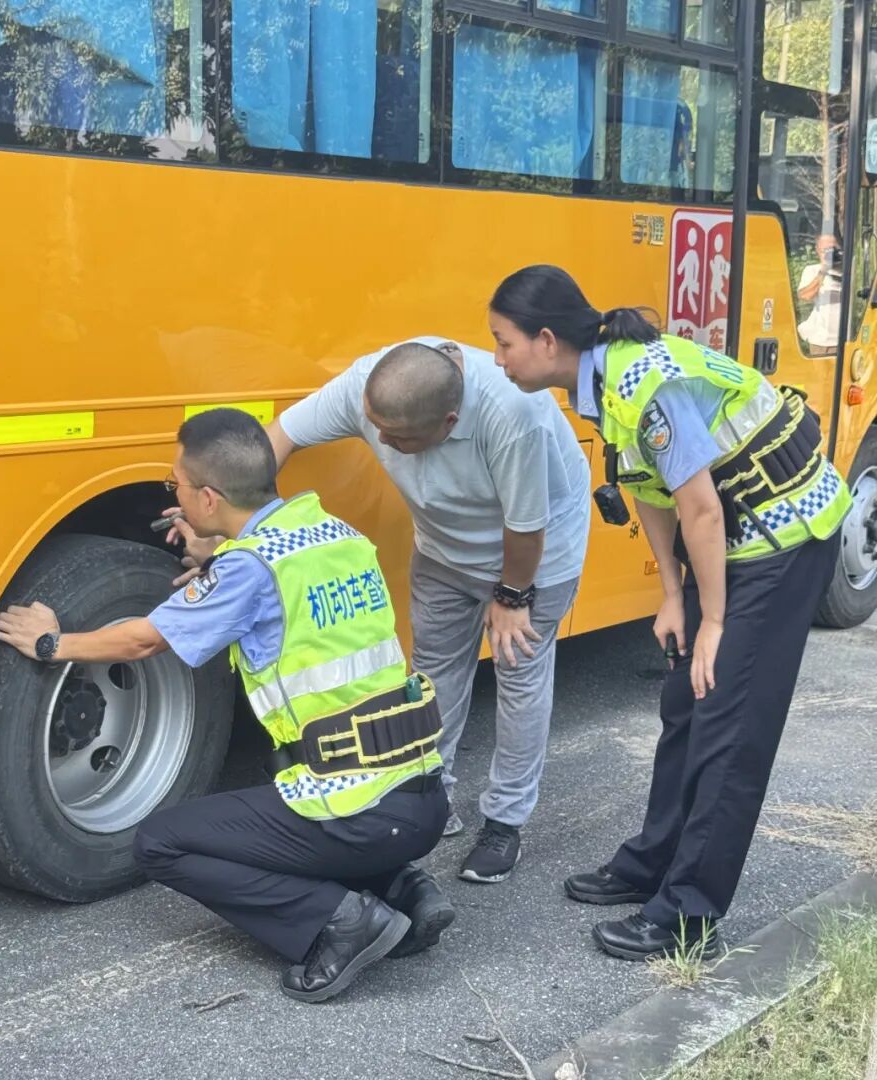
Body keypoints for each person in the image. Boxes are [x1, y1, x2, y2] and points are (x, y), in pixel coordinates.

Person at [0, 408, 454, 1003]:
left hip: (361, 810)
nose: (175, 497)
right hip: (421, 795)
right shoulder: (335, 534)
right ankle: (406, 890)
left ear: (208, 498)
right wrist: (219, 562)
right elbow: (289, 602)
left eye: (177, 487)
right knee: (282, 768)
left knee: (163, 843)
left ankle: (339, 921)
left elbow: (143, 639)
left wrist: (52, 642)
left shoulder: (247, 570)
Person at [488, 264, 851, 960]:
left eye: (503, 343)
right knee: (684, 698)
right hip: (737, 538)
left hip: (784, 532)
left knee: (728, 720)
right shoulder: (600, 381)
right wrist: (671, 595)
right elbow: (646, 485)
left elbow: (701, 507)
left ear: (543, 339)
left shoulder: (640, 383)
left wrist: (711, 620)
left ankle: (688, 914)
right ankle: (653, 862)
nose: (498, 358)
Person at [263, 337, 591, 885]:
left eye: (399, 439)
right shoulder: (374, 386)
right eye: (377, 429)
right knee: (434, 674)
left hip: (534, 555)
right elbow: (280, 436)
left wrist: (513, 597)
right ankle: (431, 797)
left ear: (450, 420)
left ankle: (504, 823)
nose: (383, 444)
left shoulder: (513, 413)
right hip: (443, 550)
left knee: (519, 676)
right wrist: (242, 523)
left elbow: (526, 524)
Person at [796, 234, 843, 357]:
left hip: (844, 339)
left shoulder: (848, 270)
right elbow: (805, 296)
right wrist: (824, 270)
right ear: (818, 251)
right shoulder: (812, 270)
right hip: (820, 340)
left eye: (833, 249)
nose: (830, 253)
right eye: (826, 250)